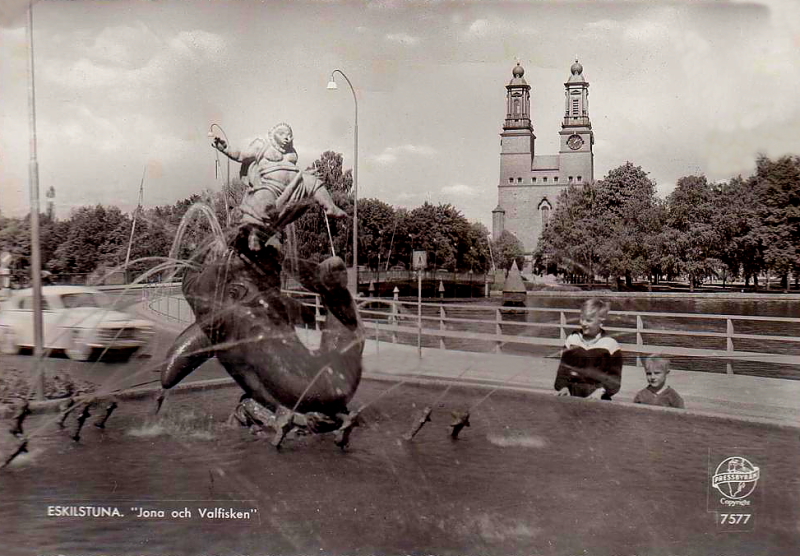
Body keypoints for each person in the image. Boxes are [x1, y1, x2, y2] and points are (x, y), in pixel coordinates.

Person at [212, 122, 346, 249]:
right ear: (273, 134)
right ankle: (253, 235)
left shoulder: (291, 151)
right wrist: (226, 149)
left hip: (295, 185)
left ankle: (331, 207)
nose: (287, 138)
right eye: (282, 134)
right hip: (270, 186)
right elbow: (241, 155)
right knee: (264, 204)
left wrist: (305, 173)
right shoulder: (262, 146)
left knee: (312, 181)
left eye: (289, 135)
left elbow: (290, 169)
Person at [554, 298, 622, 400]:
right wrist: (563, 387)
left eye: (589, 320)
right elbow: (563, 371)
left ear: (601, 321)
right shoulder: (572, 340)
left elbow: (614, 379)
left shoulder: (610, 345)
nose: (583, 323)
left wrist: (601, 391)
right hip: (573, 394)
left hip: (597, 396)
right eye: (582, 319)